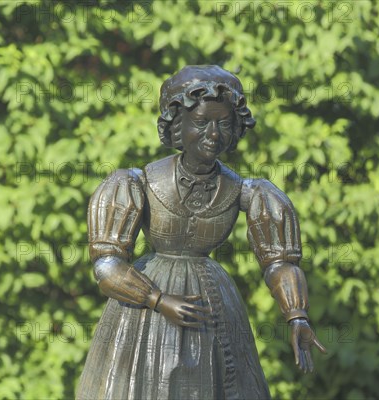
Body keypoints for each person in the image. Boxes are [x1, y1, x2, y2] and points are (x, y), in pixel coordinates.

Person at [77, 65, 326, 400]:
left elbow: (279, 262)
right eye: (201, 121)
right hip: (145, 307)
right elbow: (106, 266)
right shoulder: (136, 183)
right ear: (177, 126)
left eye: (224, 123)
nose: (213, 133)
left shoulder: (249, 191)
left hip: (213, 306)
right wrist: (158, 300)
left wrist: (296, 315)